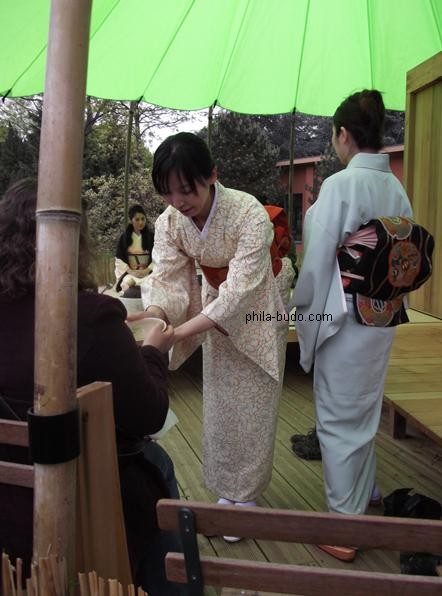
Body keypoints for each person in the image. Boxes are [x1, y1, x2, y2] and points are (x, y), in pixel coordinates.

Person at [0, 179, 186, 595]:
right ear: (74, 242)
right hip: (75, 501)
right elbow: (150, 414)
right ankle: (168, 586)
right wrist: (153, 351)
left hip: (7, 505)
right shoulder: (89, 316)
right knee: (156, 462)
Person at [132, 132, 294, 541]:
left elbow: (239, 292)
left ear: (212, 176)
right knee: (222, 399)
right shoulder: (170, 222)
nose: (178, 201)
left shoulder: (247, 212)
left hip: (258, 302)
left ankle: (247, 495)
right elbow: (167, 278)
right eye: (168, 192)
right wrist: (156, 316)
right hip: (213, 308)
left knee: (255, 401)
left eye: (186, 190)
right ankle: (227, 489)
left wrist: (177, 334)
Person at [291, 90, 413, 561]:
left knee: (339, 417)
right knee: (363, 406)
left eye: (334, 135)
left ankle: (345, 525)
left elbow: (317, 264)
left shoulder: (341, 186)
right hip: (382, 314)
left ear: (343, 134)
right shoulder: (395, 188)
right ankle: (368, 492)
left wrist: (303, 309)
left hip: (344, 316)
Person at [115, 204, 154, 296]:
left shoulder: (152, 237)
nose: (141, 222)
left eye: (143, 219)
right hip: (131, 274)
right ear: (131, 220)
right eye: (137, 219)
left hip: (148, 273)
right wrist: (132, 272)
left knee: (152, 284)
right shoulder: (124, 238)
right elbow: (119, 259)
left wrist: (147, 270)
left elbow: (158, 257)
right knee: (128, 283)